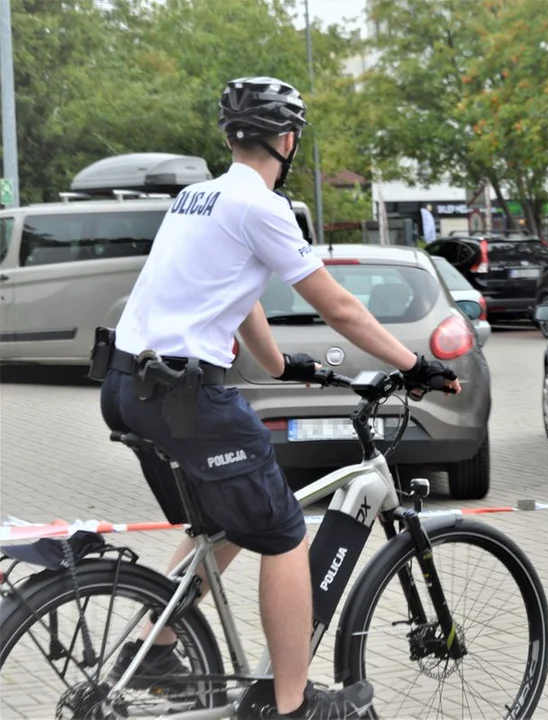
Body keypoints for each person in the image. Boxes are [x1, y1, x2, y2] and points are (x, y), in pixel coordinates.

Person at [96, 76, 460, 719]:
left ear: (232, 136)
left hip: (126, 387)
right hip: (185, 396)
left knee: (227, 524)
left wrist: (278, 364)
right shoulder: (261, 207)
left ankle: (154, 645)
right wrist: (416, 366)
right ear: (287, 140)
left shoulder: (196, 198)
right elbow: (341, 307)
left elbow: (235, 291)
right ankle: (292, 705)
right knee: (286, 537)